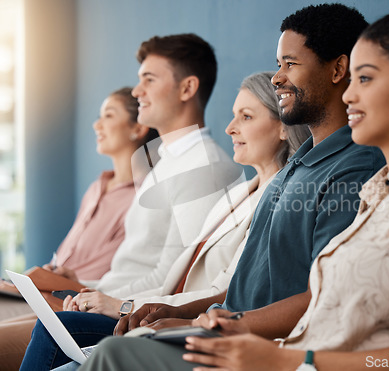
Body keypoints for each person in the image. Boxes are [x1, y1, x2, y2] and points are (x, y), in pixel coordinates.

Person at [79, 0, 389, 369]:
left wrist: (279, 356)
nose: (349, 95)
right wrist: (206, 321)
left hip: (287, 359)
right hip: (283, 355)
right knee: (104, 353)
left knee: (111, 356)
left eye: (364, 79)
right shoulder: (383, 192)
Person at [26, 70, 311, 370]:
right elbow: (175, 281)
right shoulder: (242, 191)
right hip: (159, 312)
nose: (229, 128)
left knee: (61, 333)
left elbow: (226, 293)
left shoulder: (279, 200)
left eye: (246, 117)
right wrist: (108, 299)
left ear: (283, 127)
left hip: (189, 322)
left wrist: (122, 305)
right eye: (233, 116)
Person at [15, 33, 241, 371]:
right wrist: (87, 289)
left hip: (135, 316)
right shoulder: (166, 162)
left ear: (187, 88)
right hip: (114, 302)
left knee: (47, 328)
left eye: (148, 80)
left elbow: (176, 280)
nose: (137, 92)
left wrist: (101, 297)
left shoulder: (202, 168)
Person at [0, 86, 158, 368]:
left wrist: (68, 281)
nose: (97, 124)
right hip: (46, 295)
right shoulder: (98, 186)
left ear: (138, 128)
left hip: (73, 301)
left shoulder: (146, 195)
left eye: (108, 115)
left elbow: (121, 274)